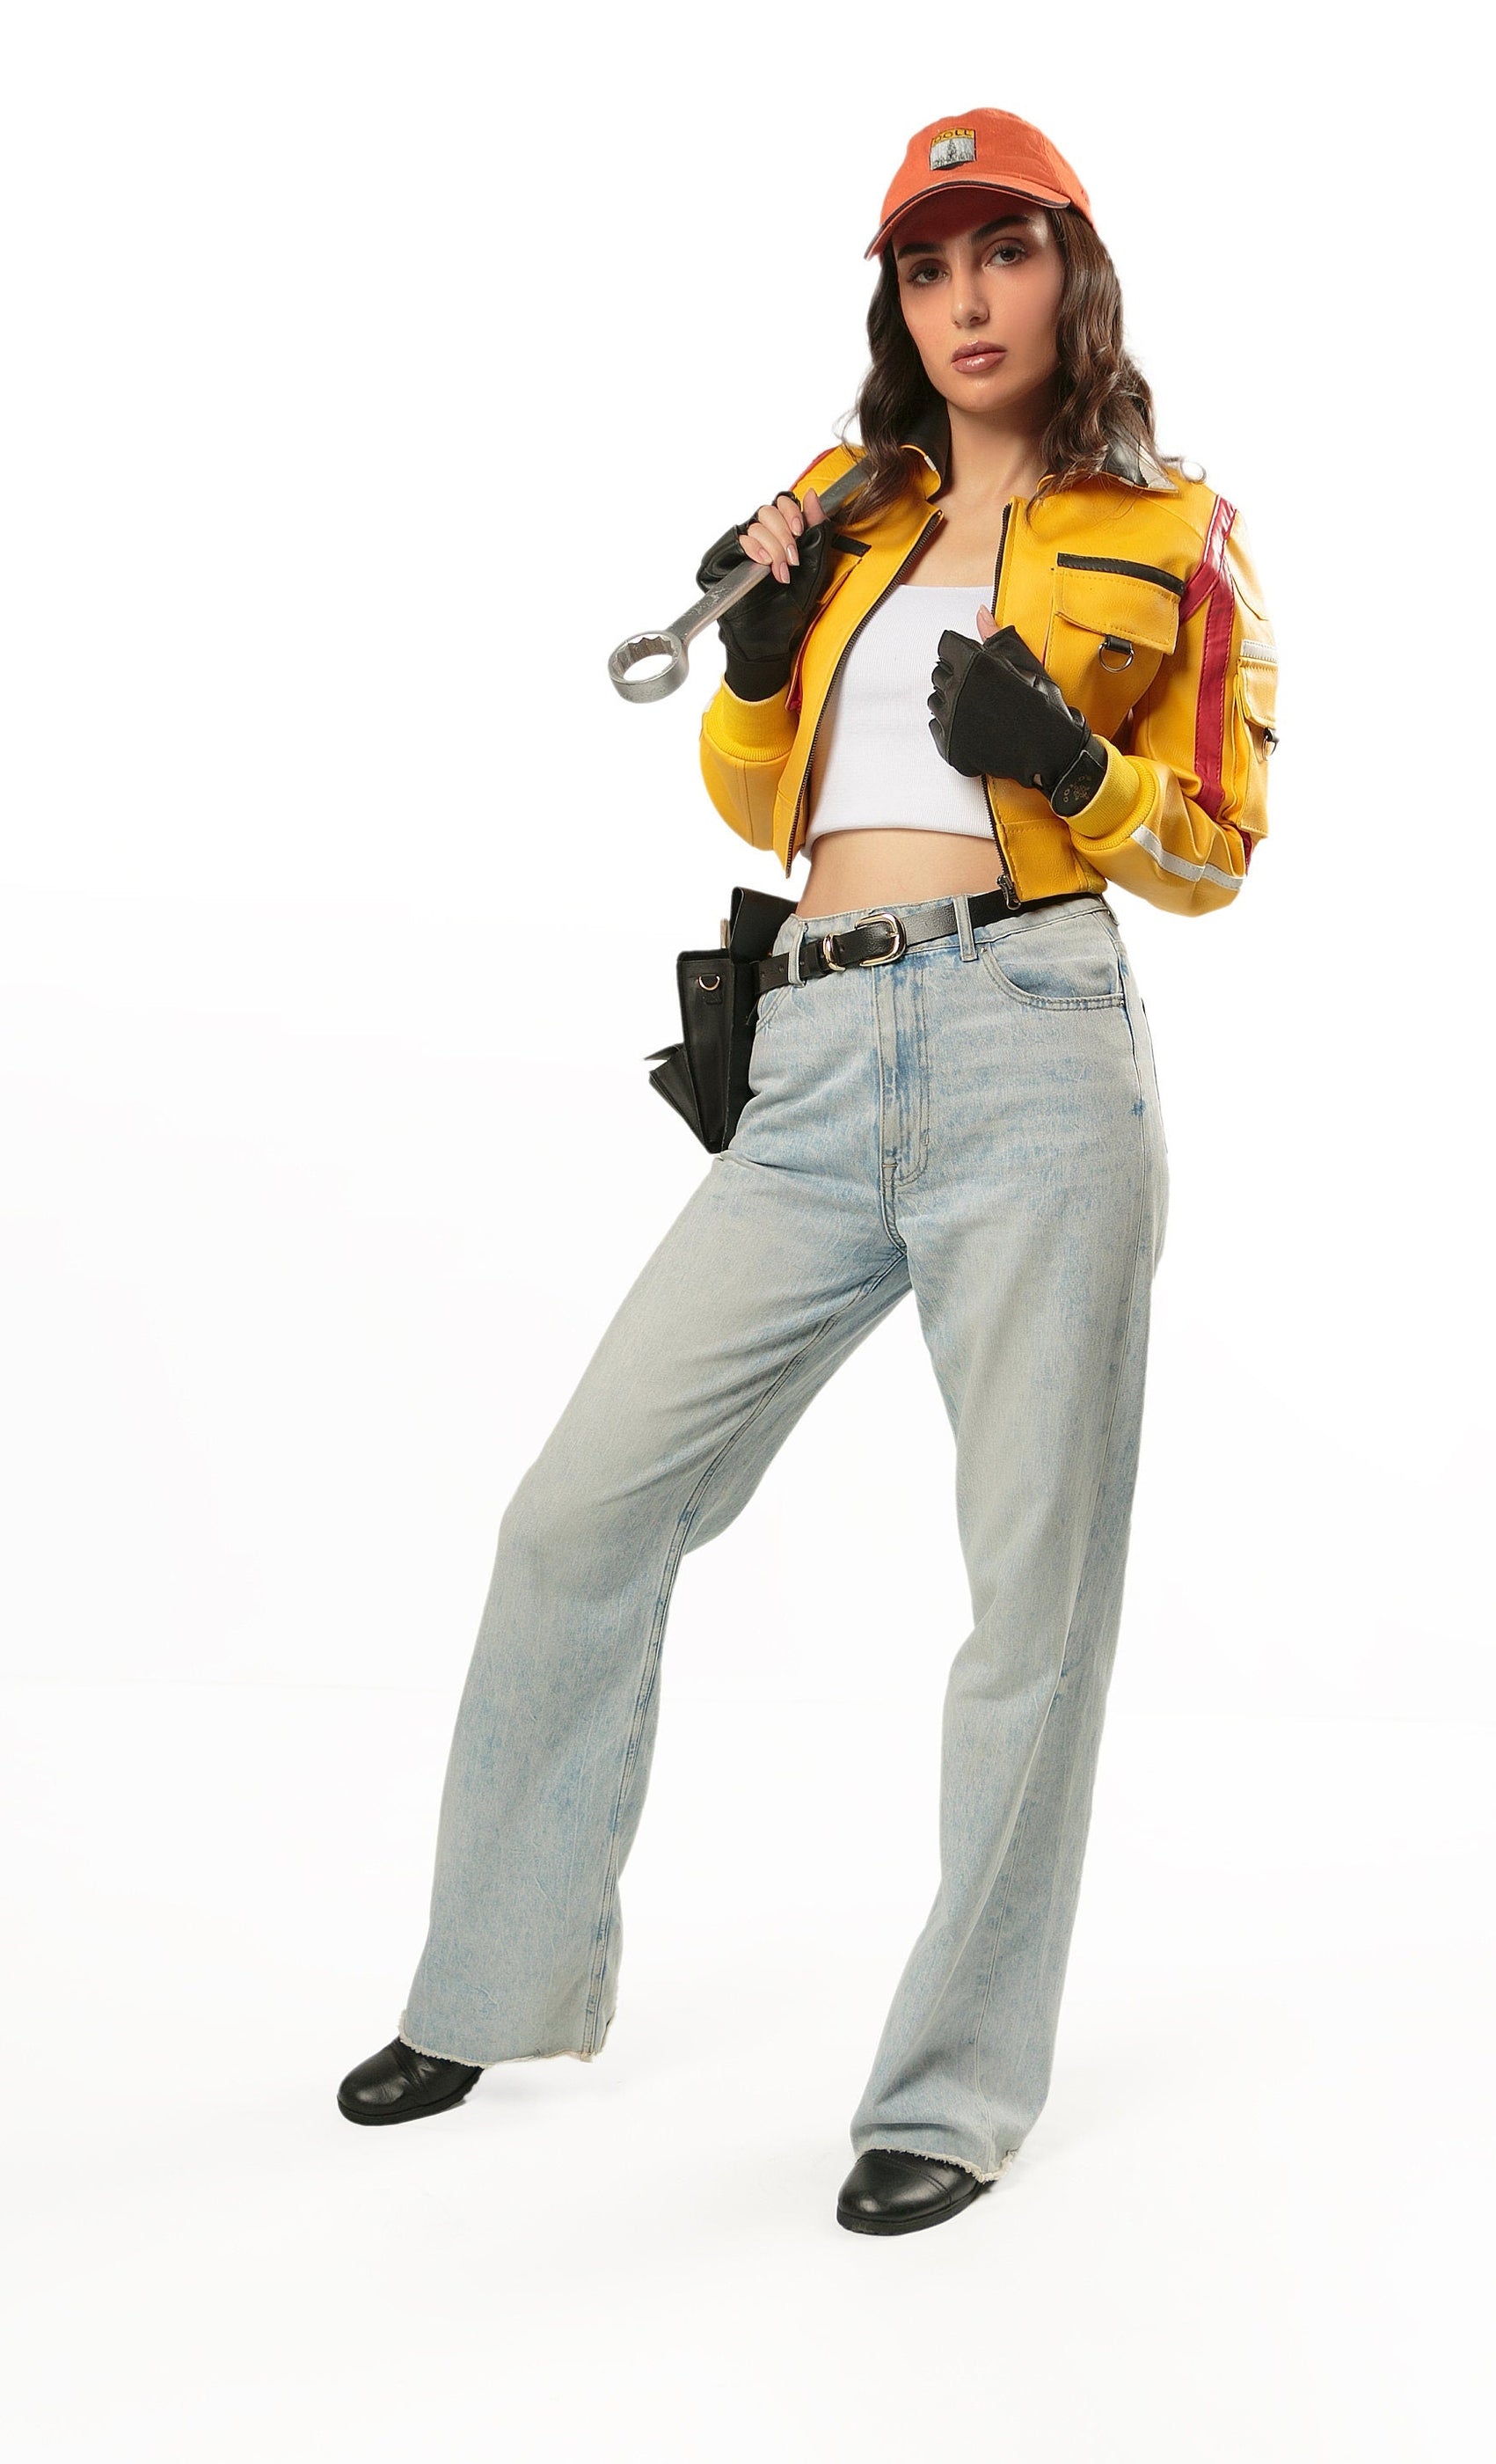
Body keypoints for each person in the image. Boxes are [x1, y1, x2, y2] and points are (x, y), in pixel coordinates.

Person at [338, 107, 1277, 2237]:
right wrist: (760, 659)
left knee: (1031, 1605)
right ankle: (492, 1979)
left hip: (1035, 1043)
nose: (962, 301)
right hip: (819, 1051)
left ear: (1071, 274)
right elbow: (765, 786)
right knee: (581, 1508)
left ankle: (953, 2087)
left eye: (1000, 253)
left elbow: (1217, 841)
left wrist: (1072, 764)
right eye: (924, 269)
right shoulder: (848, 509)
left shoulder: (1175, 528)